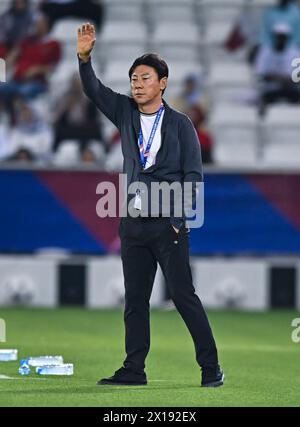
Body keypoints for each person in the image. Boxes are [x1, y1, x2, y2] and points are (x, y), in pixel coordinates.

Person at [77, 23, 224, 388]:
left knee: (184, 297)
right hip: (133, 224)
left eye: (144, 77)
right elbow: (93, 90)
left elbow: (193, 177)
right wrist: (84, 59)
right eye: (133, 78)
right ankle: (134, 370)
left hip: (168, 226)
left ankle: (211, 368)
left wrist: (177, 220)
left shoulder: (181, 125)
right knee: (135, 302)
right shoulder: (125, 112)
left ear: (163, 83)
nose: (137, 83)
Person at [255, 22, 300, 115]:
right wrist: (280, 79)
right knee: (261, 101)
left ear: (287, 38)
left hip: (291, 89)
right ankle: (262, 123)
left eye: (283, 36)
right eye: (278, 36)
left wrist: (280, 79)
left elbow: (297, 78)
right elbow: (261, 74)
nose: (280, 39)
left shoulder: (295, 53)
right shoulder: (265, 52)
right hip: (271, 90)